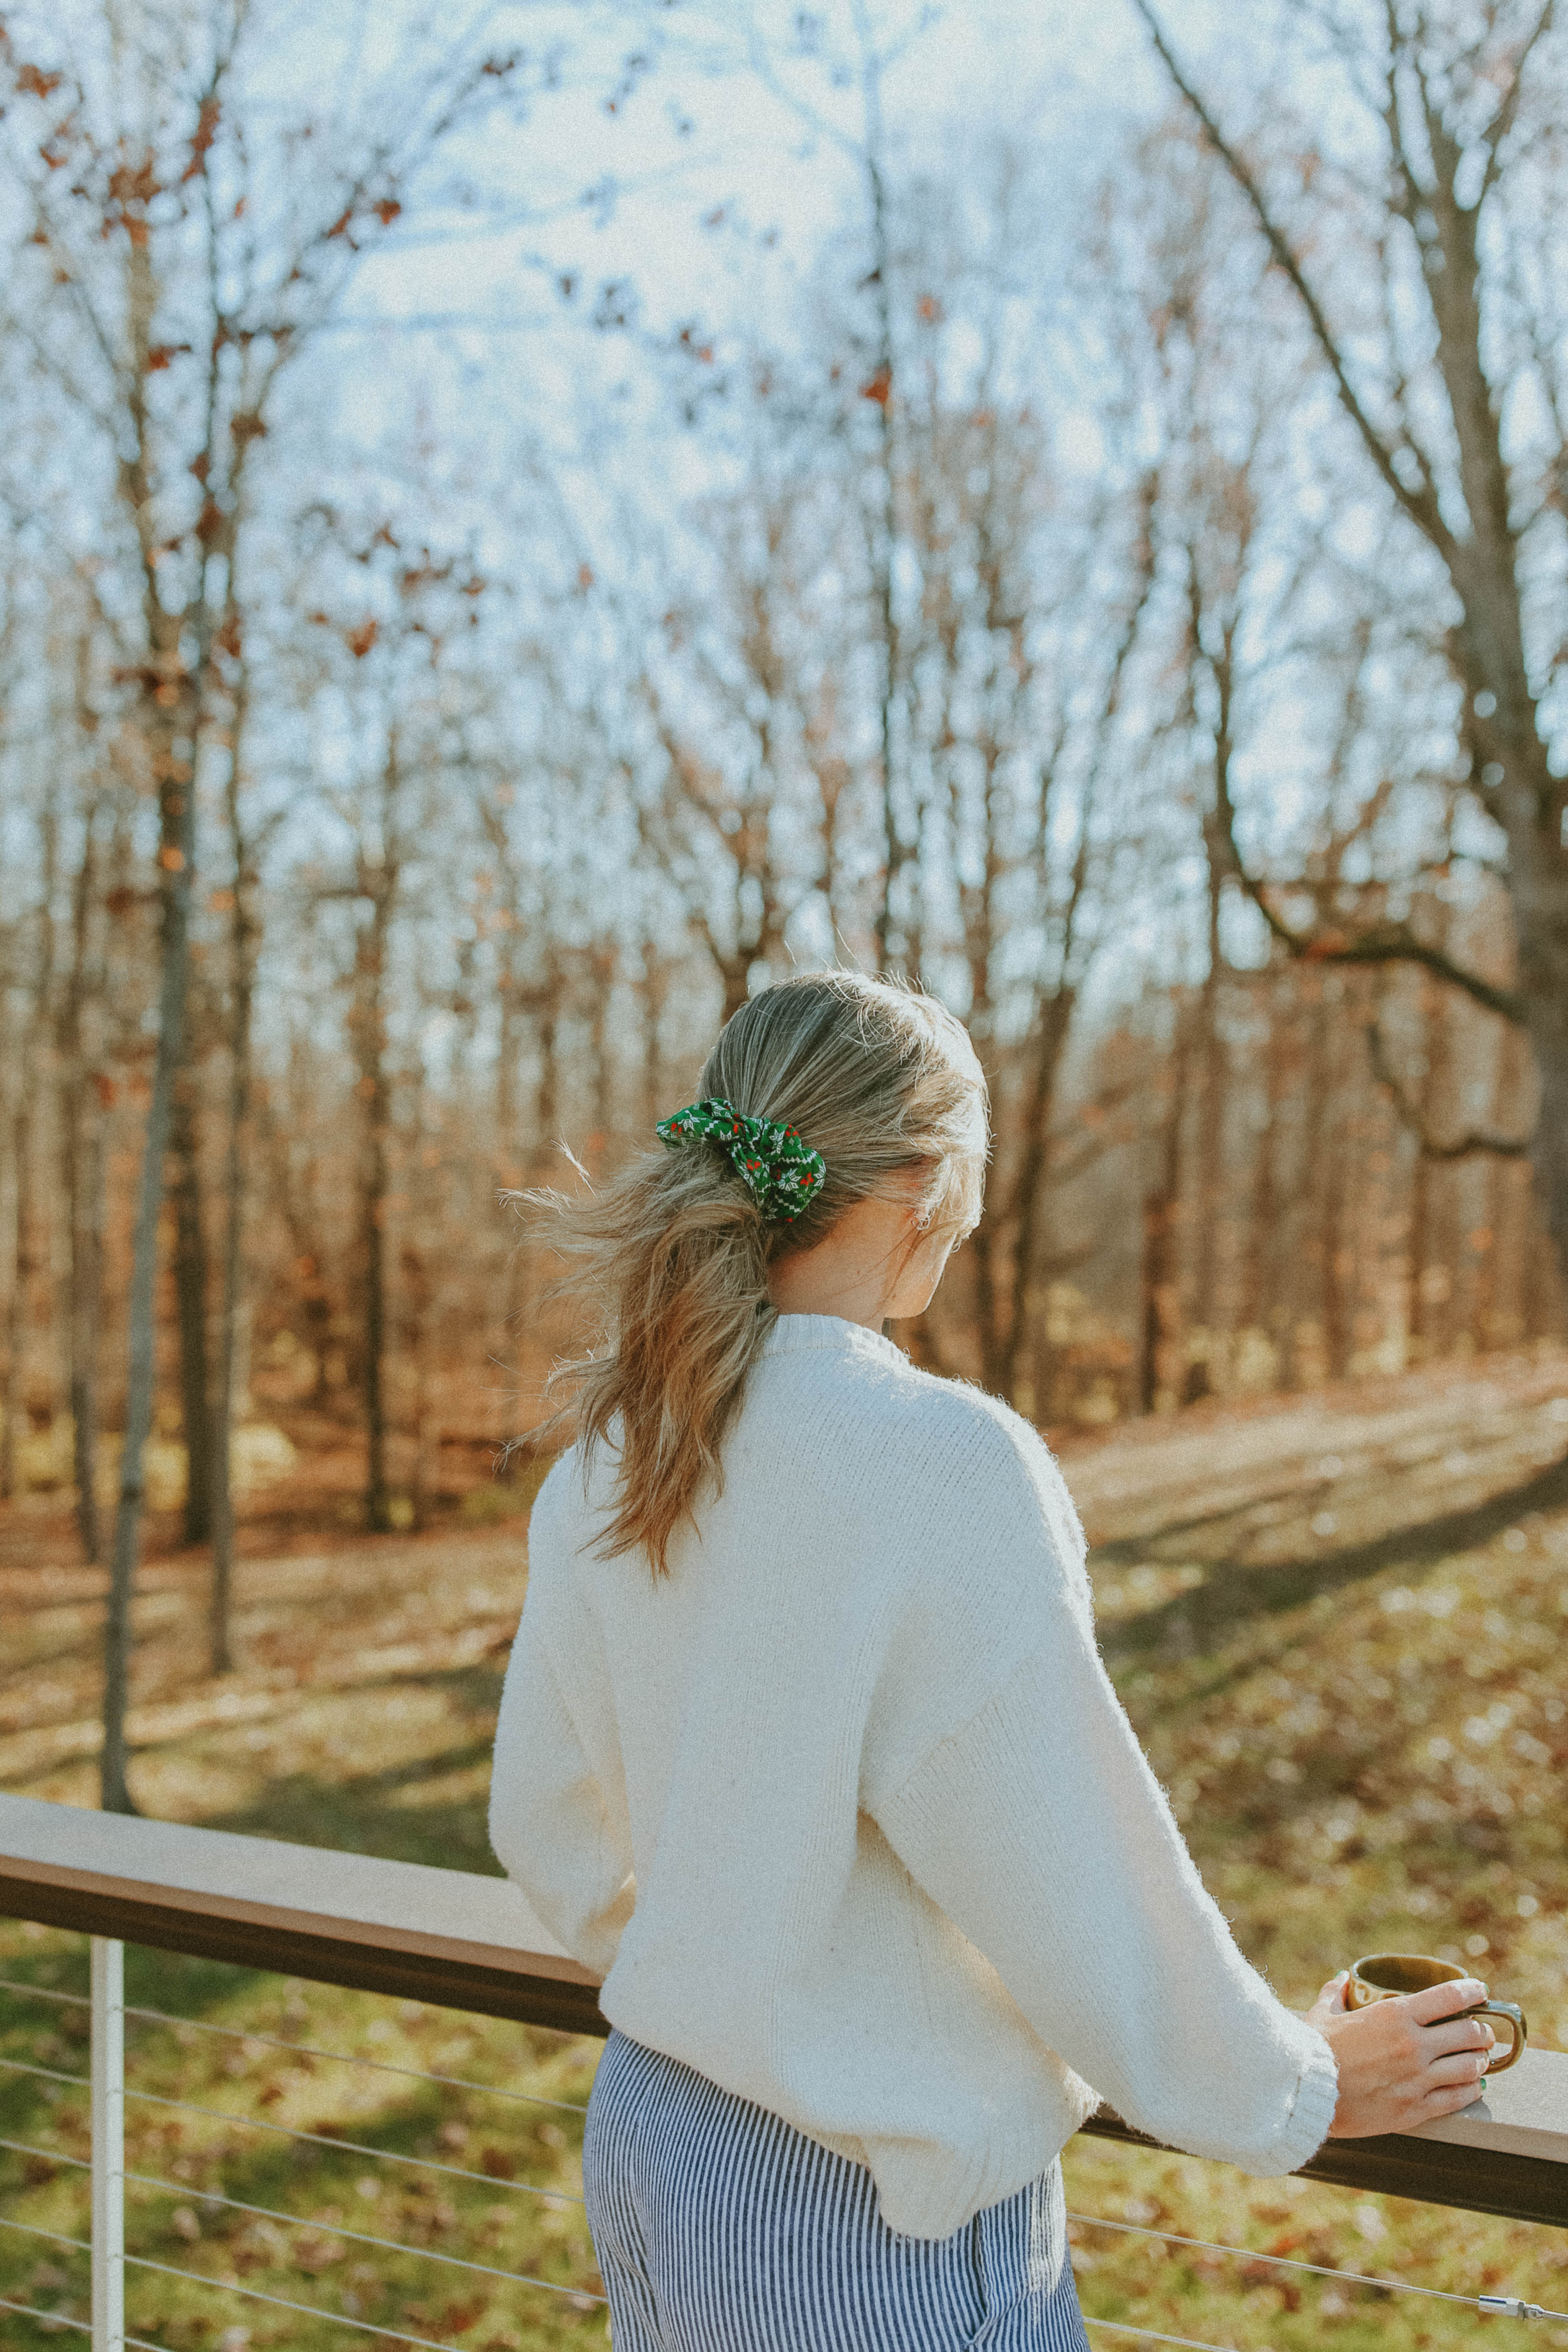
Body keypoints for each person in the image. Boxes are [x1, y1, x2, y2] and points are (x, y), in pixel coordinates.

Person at [489, 971, 1497, 2352]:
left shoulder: (612, 1455)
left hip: (661, 2138)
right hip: (865, 2197)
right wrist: (1297, 2085)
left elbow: (544, 1829)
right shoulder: (938, 1468)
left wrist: (735, 1972)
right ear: (927, 1185)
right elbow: (1066, 1878)